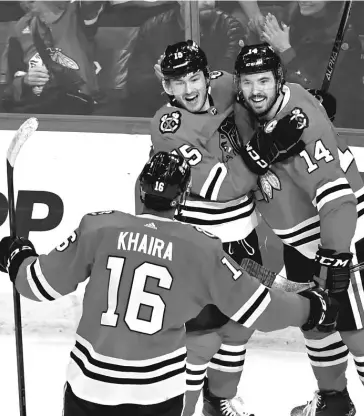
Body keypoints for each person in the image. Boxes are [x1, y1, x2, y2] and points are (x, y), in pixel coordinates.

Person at [0, 151, 339, 416]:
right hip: (155, 395)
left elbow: (37, 284)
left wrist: (17, 256)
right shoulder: (200, 248)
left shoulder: (98, 228)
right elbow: (260, 310)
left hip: (90, 387)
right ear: (184, 196)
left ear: (141, 188)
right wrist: (313, 308)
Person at [233, 44, 364, 416]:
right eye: (248, 82)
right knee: (316, 322)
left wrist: (337, 254)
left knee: (357, 326)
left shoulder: (303, 123)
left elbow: (338, 200)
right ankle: (334, 400)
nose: (255, 90)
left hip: (338, 233)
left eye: (263, 81)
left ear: (279, 80)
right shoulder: (248, 106)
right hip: (300, 242)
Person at [142, 40, 307, 416]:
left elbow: (261, 92)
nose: (188, 90)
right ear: (166, 87)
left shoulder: (223, 84)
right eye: (177, 82)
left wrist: (304, 106)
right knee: (199, 338)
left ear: (206, 74)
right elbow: (223, 187)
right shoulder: (168, 129)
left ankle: (219, 402)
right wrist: (265, 147)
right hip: (200, 242)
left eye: (194, 78)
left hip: (243, 235)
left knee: (239, 326)